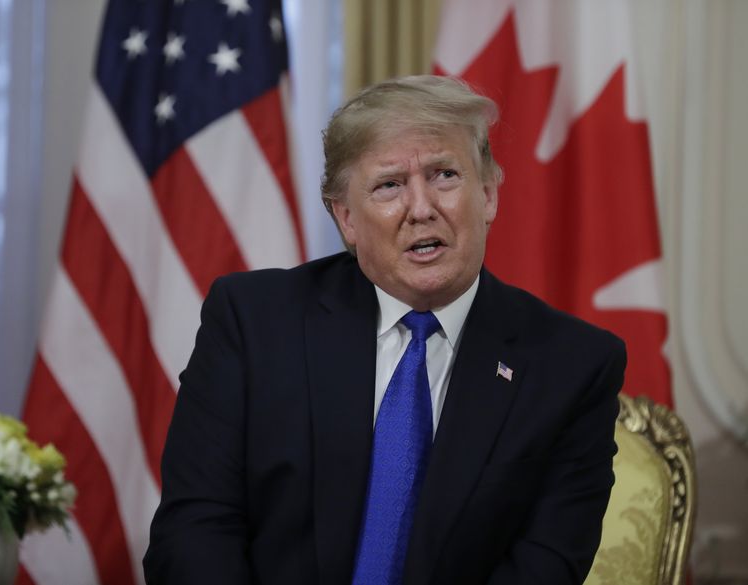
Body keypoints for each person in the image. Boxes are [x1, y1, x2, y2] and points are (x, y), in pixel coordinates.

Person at [143, 75, 625, 585]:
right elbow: (195, 529)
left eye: (444, 175)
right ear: (347, 219)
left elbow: (544, 568)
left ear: (487, 196)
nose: (422, 209)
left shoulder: (572, 366)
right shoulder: (253, 323)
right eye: (390, 185)